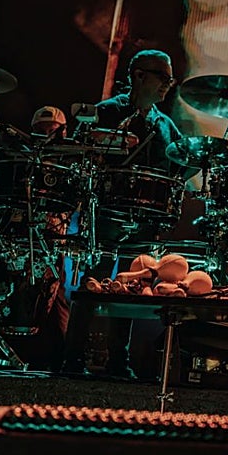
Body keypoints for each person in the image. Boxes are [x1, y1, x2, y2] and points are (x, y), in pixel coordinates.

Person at [61, 48, 194, 378]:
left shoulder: (165, 126)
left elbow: (184, 163)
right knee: (92, 283)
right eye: (162, 77)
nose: (168, 86)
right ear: (138, 76)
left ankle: (119, 361)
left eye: (170, 79)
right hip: (106, 212)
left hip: (146, 219)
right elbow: (79, 153)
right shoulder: (106, 113)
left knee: (133, 287)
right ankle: (73, 359)